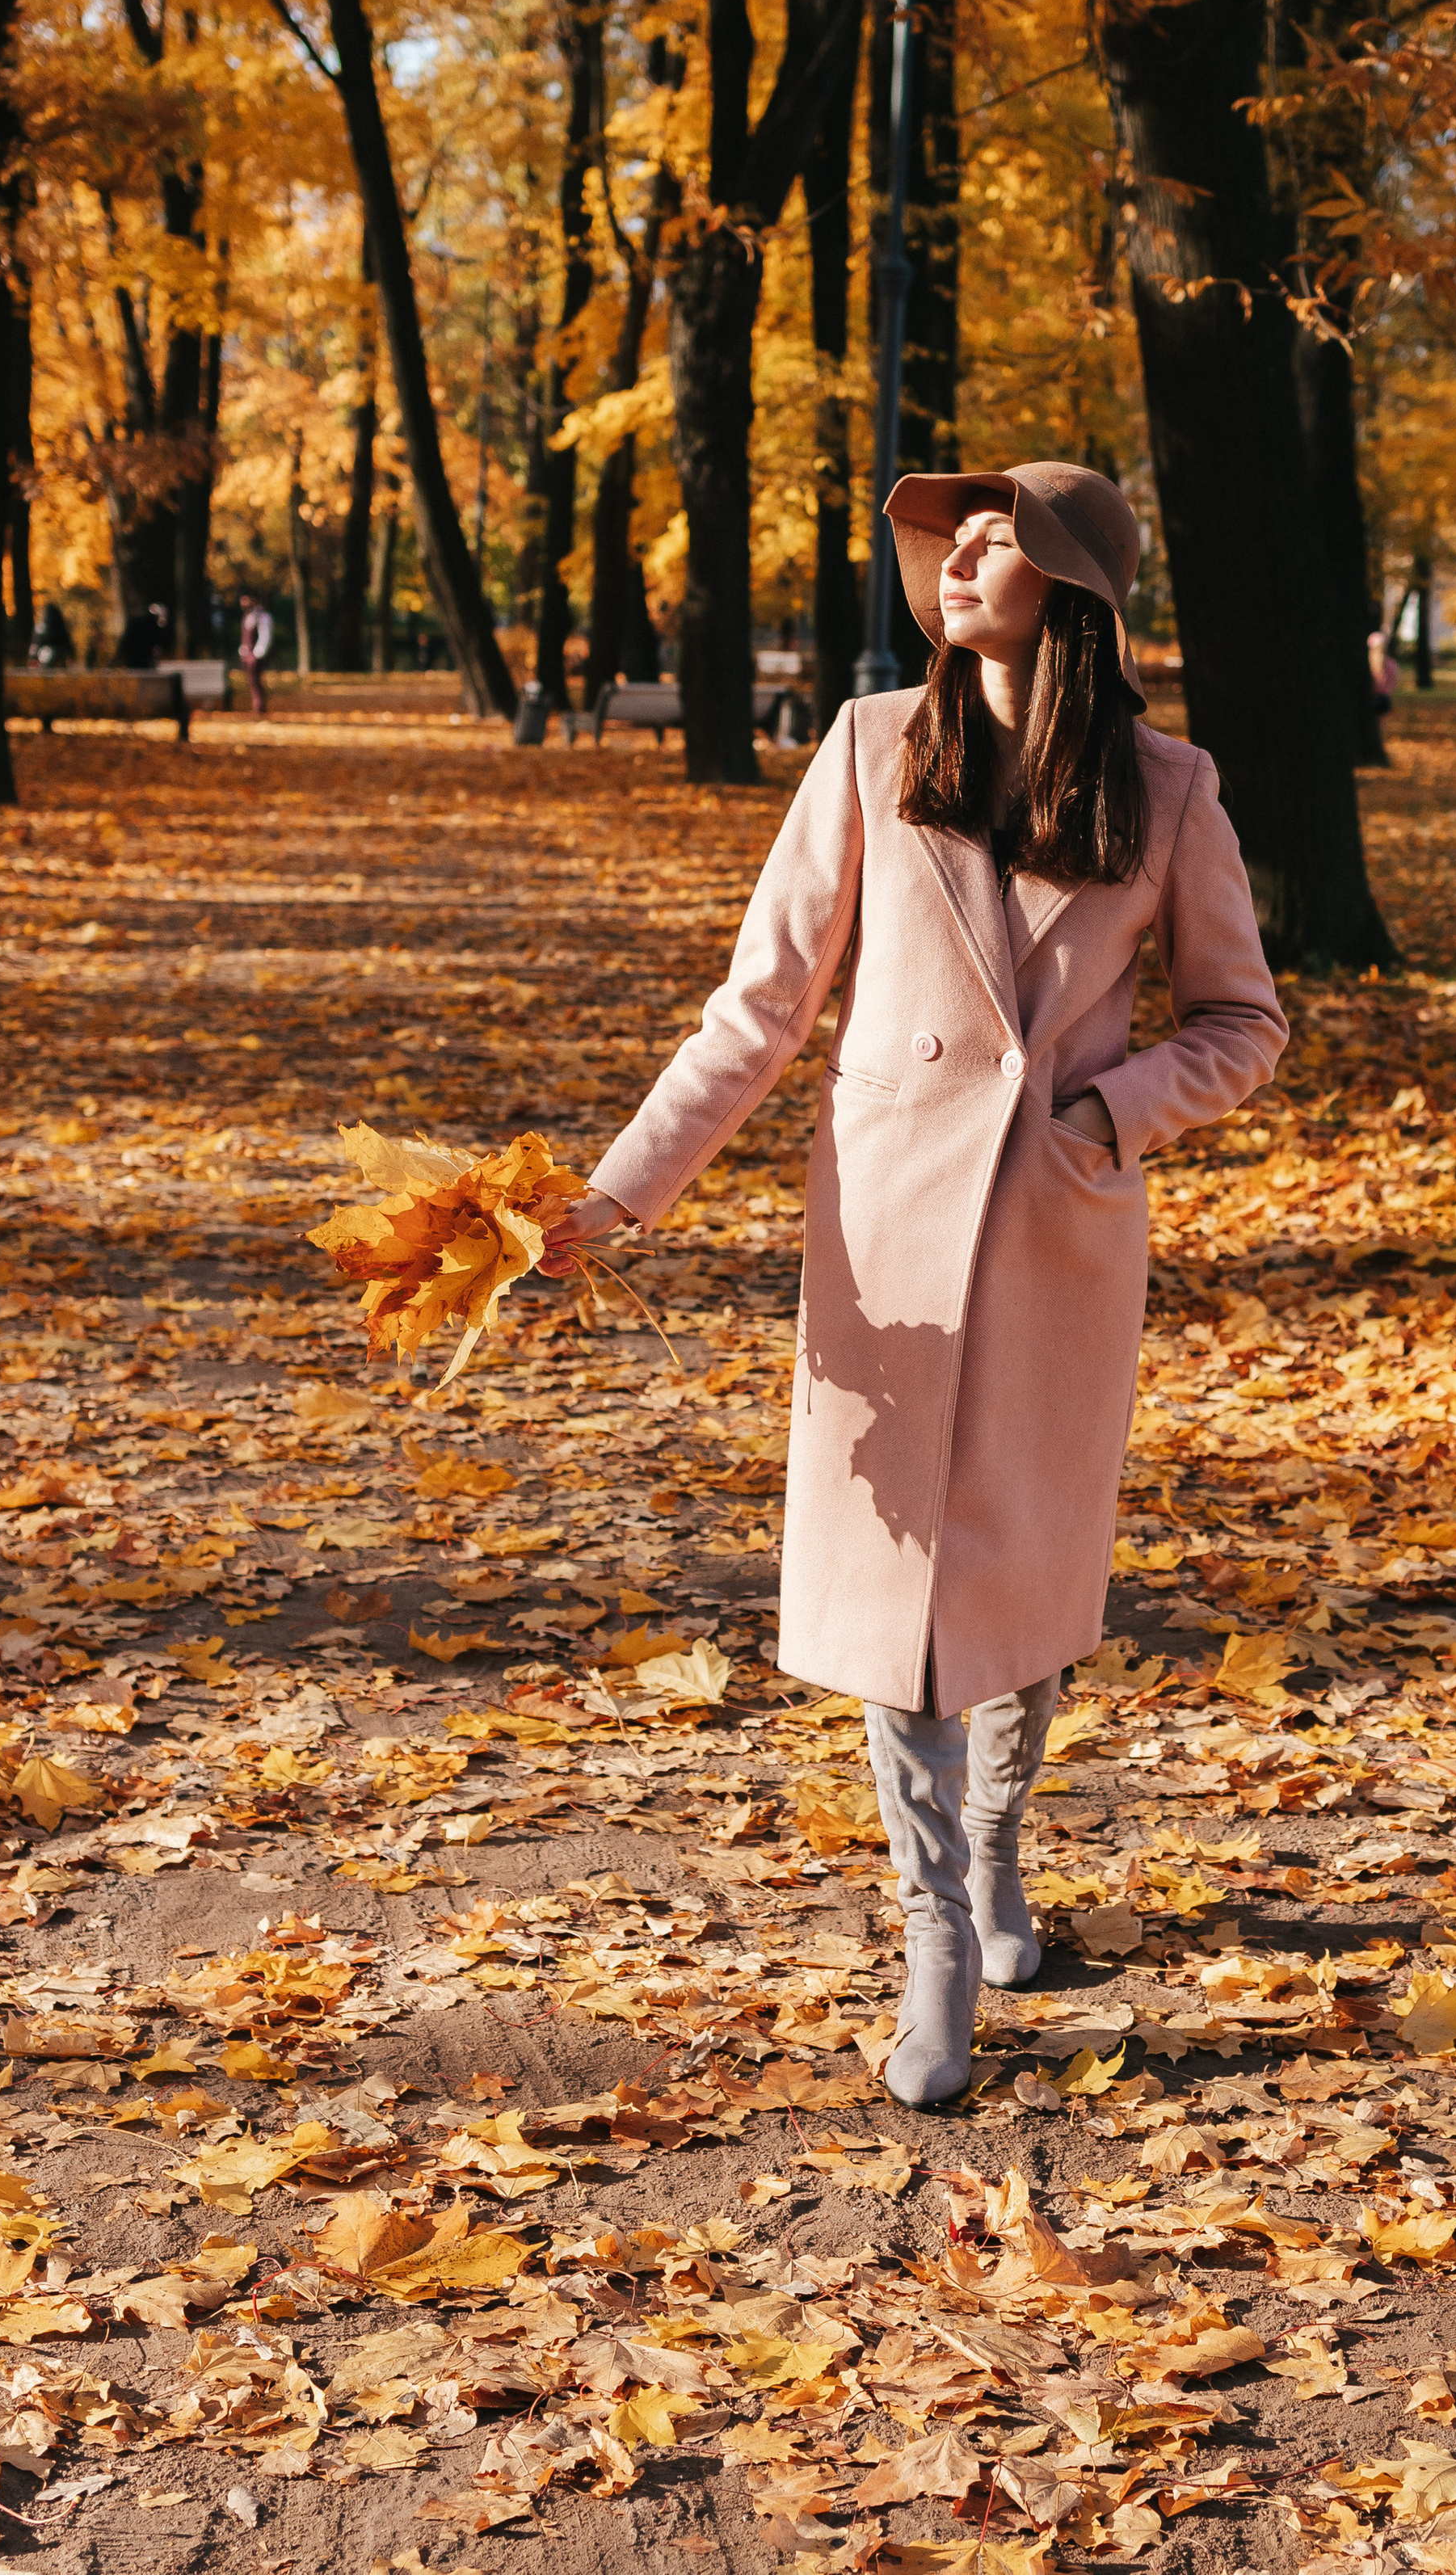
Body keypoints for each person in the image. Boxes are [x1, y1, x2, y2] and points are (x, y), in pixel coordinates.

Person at [549, 463, 1288, 2108]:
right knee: (901, 1604)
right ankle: (934, 1934)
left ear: (1074, 586)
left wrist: (1108, 1112)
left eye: (994, 535)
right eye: (940, 534)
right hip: (882, 1240)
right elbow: (756, 1010)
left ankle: (995, 1847)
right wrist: (615, 1195)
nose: (953, 557)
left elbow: (1243, 1021)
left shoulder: (1164, 789)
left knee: (1017, 1591)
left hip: (1055, 1240)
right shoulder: (873, 746)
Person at [237, 591, 274, 717]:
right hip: (247, 655)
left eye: (245, 599)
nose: (242, 603)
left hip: (254, 656)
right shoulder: (248, 616)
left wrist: (258, 653)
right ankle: (257, 705)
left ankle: (259, 706)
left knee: (255, 681)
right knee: (252, 681)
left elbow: (265, 635)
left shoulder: (262, 616)